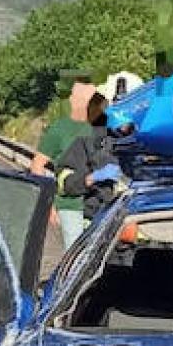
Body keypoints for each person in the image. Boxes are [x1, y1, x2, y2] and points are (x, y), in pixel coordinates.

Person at [31, 80, 96, 249]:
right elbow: (38, 165)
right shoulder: (59, 129)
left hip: (100, 203)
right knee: (76, 258)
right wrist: (48, 206)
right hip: (71, 205)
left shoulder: (102, 128)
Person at [53, 90, 124, 222]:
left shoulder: (151, 139)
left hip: (145, 226)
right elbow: (63, 181)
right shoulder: (91, 138)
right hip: (97, 222)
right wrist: (90, 178)